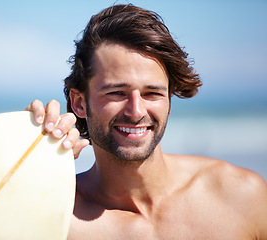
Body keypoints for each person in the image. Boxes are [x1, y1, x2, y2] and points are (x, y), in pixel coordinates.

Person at [26, 4, 267, 239]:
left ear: (169, 100)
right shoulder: (53, 216)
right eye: (116, 93)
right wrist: (19, 156)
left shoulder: (241, 196)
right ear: (79, 103)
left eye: (152, 93)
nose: (136, 111)